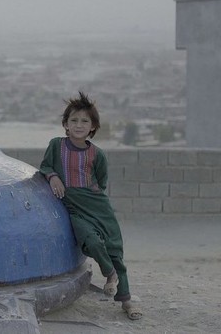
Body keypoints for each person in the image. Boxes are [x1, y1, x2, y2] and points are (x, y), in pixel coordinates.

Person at [39, 92, 142, 320]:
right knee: (91, 240)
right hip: (74, 209)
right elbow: (45, 166)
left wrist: (89, 195)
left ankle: (126, 301)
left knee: (114, 248)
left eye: (85, 121)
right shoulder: (56, 145)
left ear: (93, 126)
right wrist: (53, 176)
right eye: (74, 120)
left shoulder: (98, 154)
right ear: (65, 124)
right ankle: (109, 273)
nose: (79, 125)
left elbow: (101, 182)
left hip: (98, 207)